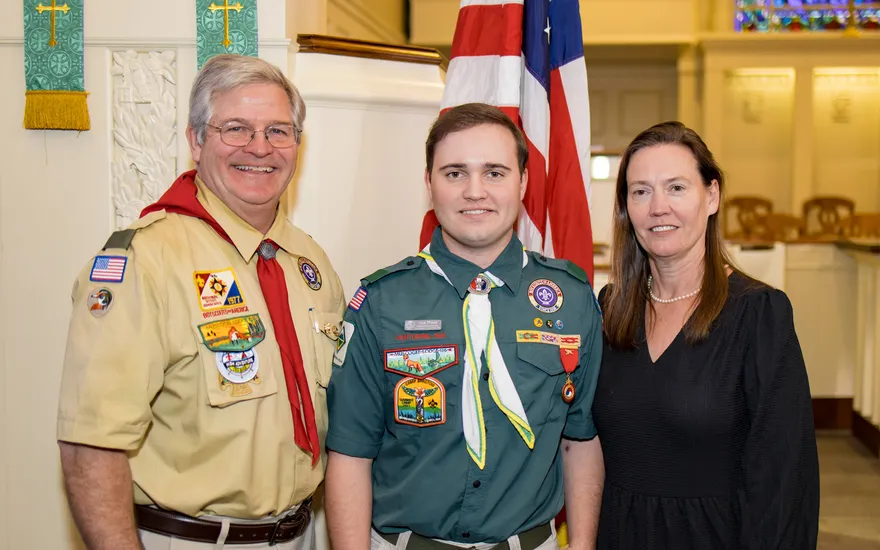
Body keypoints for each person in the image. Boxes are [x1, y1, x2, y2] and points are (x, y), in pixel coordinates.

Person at [56, 54, 346, 550]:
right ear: (195, 141)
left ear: (298, 145)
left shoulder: (309, 265)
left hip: (302, 534)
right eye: (235, 128)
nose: (260, 148)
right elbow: (91, 446)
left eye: (279, 131)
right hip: (189, 539)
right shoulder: (148, 260)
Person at [323, 103, 605, 550]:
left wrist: (584, 545)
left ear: (524, 181)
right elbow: (350, 453)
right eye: (455, 173)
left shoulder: (570, 299)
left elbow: (580, 439)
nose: (475, 191)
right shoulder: (381, 302)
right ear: (429, 184)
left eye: (495, 172)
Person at [592, 121, 820, 549]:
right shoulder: (609, 309)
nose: (658, 207)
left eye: (676, 187)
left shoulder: (758, 314)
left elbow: (785, 478)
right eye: (640, 191)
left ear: (711, 195)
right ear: (626, 206)